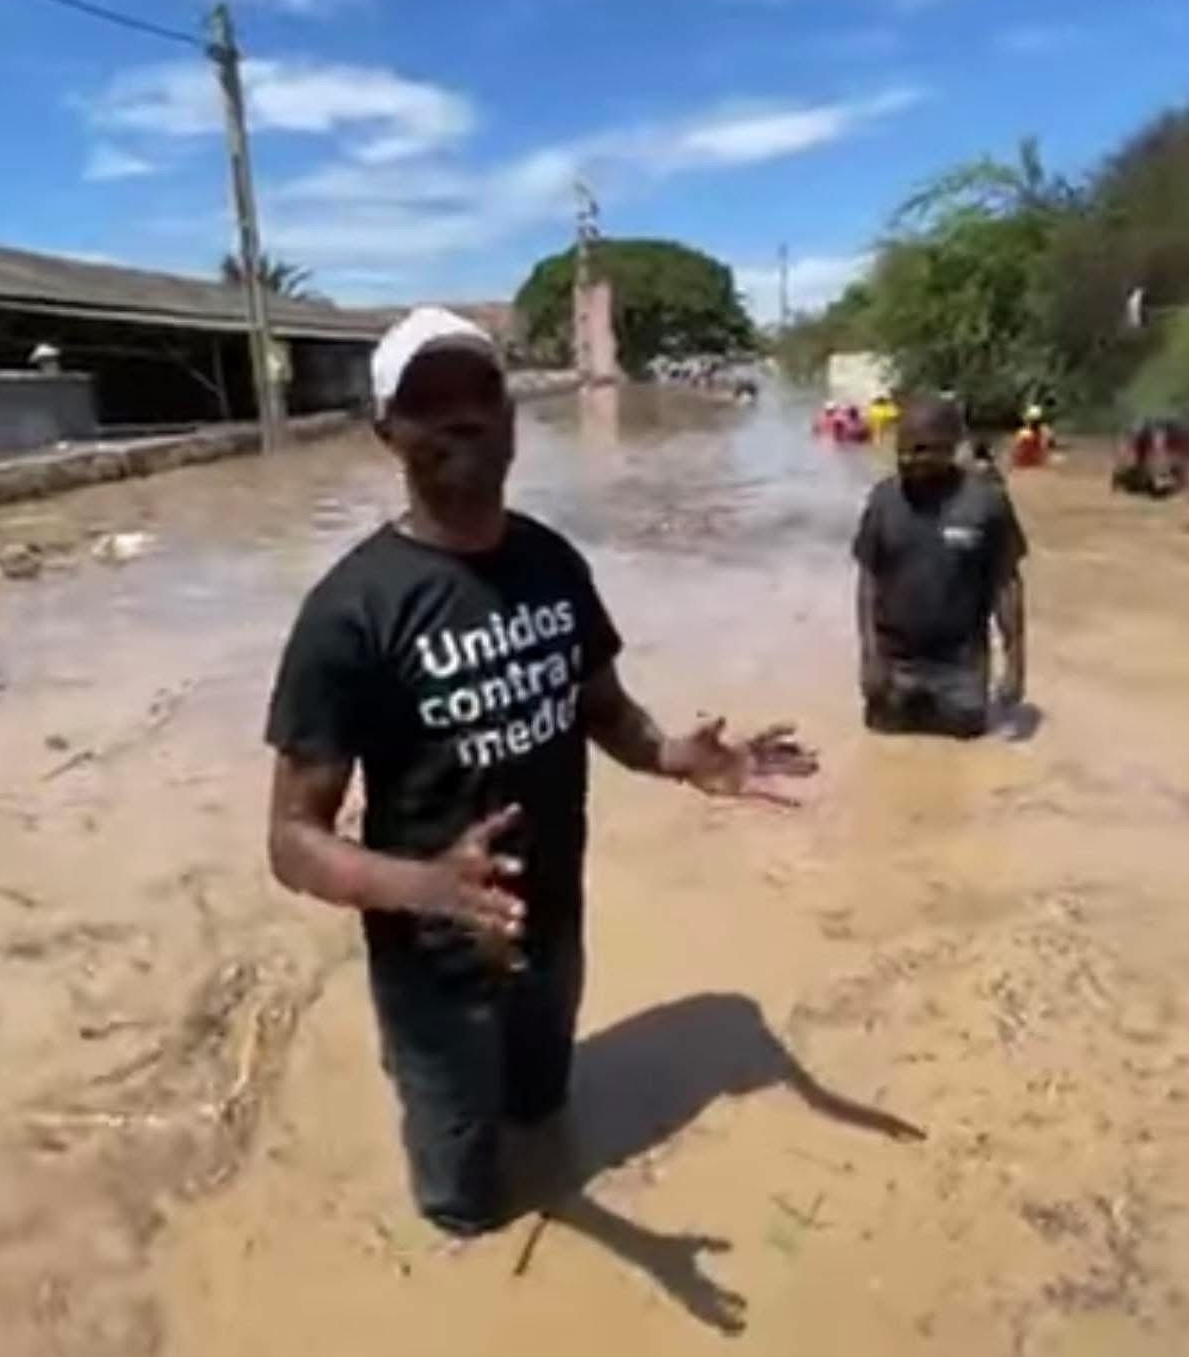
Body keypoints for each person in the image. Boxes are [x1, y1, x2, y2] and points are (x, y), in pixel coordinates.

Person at [264, 307, 815, 1238]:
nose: (460, 417)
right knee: (465, 1210)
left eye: (478, 392)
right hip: (435, 967)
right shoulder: (348, 612)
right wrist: (425, 884)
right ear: (385, 431)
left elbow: (602, 710)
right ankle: (422, 1078)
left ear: (512, 415)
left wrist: (676, 755)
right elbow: (290, 840)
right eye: (427, 401)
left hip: (555, 931)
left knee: (547, 1111)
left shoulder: (553, 562)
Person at [853, 395, 1027, 739]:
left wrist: (1016, 664)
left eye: (921, 450)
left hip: (960, 664)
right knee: (883, 746)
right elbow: (868, 579)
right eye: (902, 450)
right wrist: (870, 654)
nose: (908, 459)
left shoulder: (986, 503)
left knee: (965, 744)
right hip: (895, 660)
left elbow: (1007, 584)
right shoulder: (883, 500)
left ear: (951, 446)